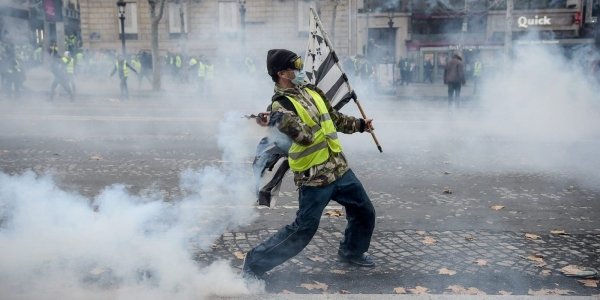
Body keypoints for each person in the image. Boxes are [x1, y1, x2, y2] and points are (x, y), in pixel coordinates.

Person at [242, 49, 377, 279]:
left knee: (364, 211)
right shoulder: (280, 106)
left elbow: (334, 119)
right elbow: (305, 137)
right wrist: (279, 121)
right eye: (296, 68)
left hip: (338, 168)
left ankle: (351, 252)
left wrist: (361, 125)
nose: (301, 71)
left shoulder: (312, 91)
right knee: (303, 230)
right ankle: (254, 264)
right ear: (282, 73)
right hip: (314, 177)